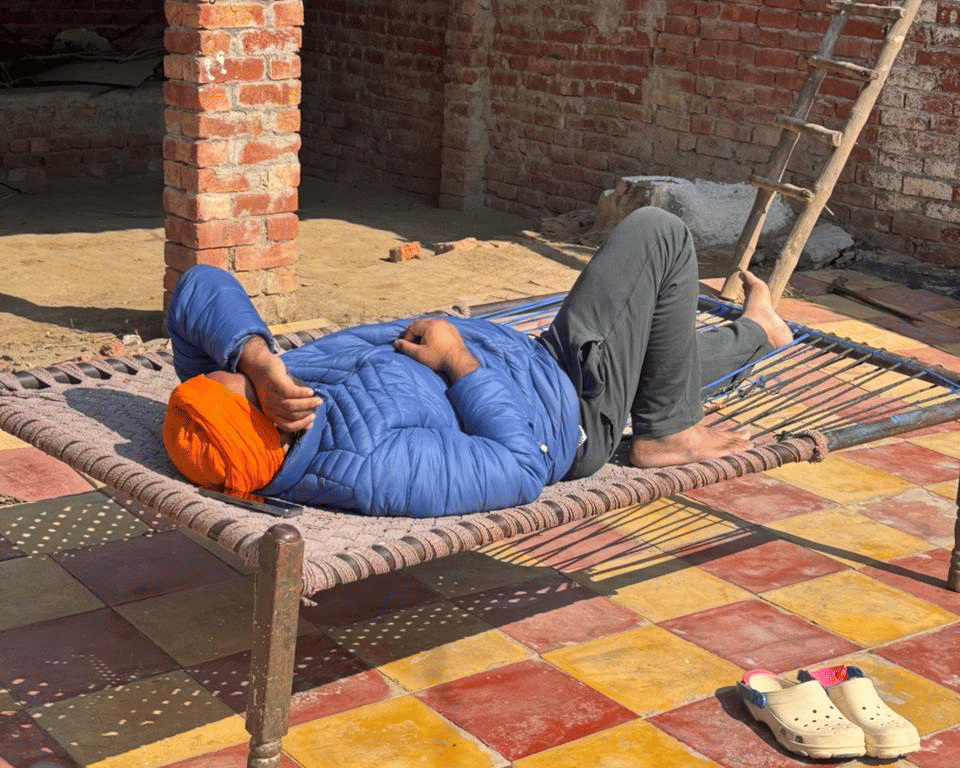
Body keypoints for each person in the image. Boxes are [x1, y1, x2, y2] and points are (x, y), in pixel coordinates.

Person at [163, 207, 792, 518]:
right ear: (265, 424)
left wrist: (257, 360)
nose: (220, 371)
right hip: (570, 407)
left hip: (525, 364)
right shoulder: (373, 467)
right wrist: (459, 362)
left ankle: (760, 332)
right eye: (231, 384)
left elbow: (199, 287)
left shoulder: (278, 388)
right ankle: (668, 434)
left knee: (652, 352)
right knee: (658, 233)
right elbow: (518, 468)